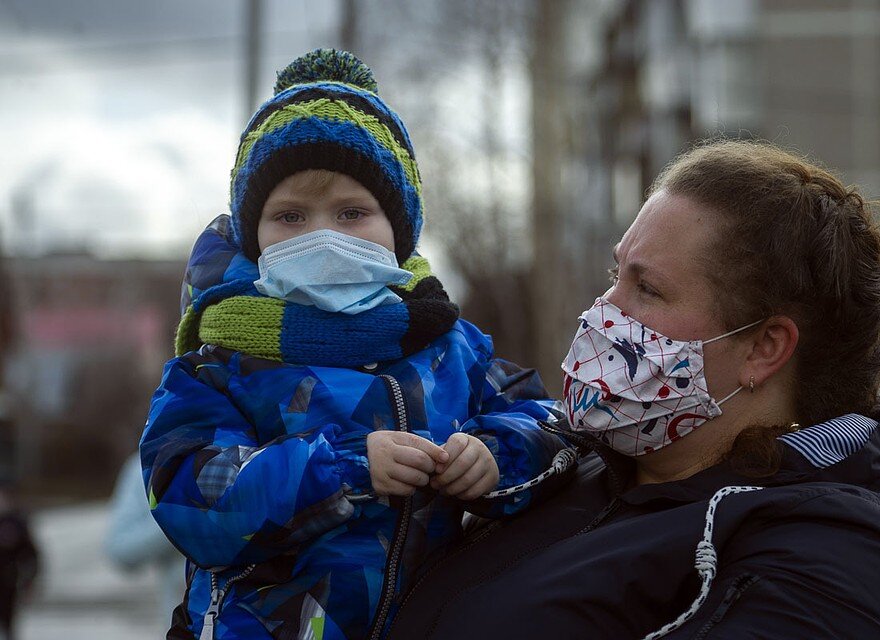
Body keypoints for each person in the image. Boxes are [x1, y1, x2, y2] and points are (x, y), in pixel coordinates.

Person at [385, 140, 880, 639]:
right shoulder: (578, 462)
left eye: (649, 289)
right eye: (617, 275)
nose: (602, 311)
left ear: (764, 348)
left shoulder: (842, 560)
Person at [139, 49, 567, 640]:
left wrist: (498, 455)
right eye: (289, 216)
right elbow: (190, 495)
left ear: (400, 229)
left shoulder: (451, 349)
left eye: (351, 212)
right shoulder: (217, 367)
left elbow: (551, 419)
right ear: (252, 234)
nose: (321, 236)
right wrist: (347, 468)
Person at [103, 452, 184, 628]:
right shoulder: (149, 462)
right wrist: (182, 519)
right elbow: (121, 549)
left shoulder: (255, 454)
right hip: (186, 627)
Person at [0, 476, 38, 640]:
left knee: (8, 623)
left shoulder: (16, 522)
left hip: (8, 581)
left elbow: (30, 554)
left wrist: (30, 580)